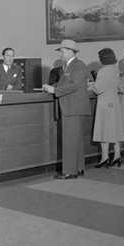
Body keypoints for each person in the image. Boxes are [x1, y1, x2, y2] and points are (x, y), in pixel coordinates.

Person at [42, 40, 91, 179]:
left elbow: (74, 85)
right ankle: (79, 168)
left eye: (61, 51)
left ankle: (70, 171)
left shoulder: (79, 66)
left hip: (73, 108)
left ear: (70, 51)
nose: (59, 54)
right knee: (75, 140)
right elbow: (67, 83)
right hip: (71, 107)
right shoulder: (69, 66)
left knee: (70, 140)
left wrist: (54, 89)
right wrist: (51, 86)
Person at [88, 48, 124, 168]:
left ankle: (104, 158)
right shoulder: (116, 70)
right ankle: (117, 156)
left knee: (104, 130)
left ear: (103, 58)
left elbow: (98, 89)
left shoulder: (103, 71)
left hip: (105, 103)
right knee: (115, 130)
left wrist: (91, 84)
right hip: (115, 102)